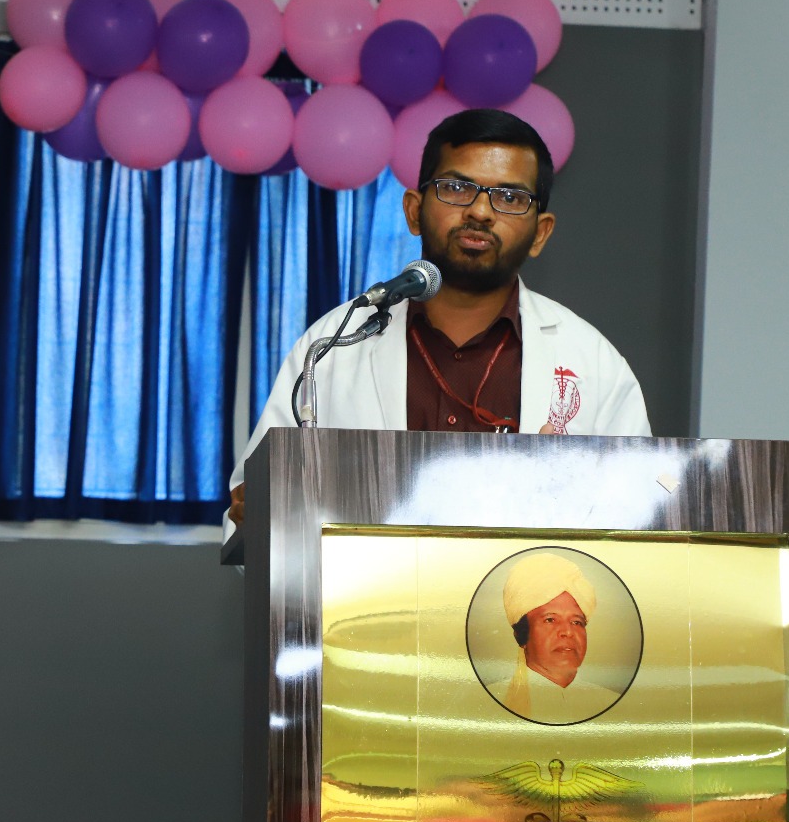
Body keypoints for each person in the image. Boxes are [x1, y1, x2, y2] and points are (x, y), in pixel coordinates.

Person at [227, 108, 650, 526]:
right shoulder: (334, 343)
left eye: (509, 198)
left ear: (540, 233)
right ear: (414, 211)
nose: (481, 212)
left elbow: (641, 519)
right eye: (457, 188)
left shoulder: (593, 362)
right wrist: (261, 515)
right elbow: (251, 507)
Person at [484, 551, 619, 724]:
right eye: (550, 620)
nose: (568, 632)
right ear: (522, 634)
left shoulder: (610, 703)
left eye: (577, 622)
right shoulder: (492, 701)